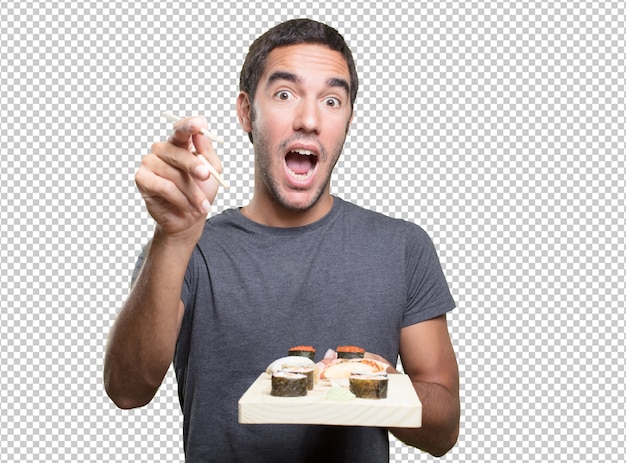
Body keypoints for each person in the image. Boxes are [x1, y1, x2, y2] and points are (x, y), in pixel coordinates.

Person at [104, 18, 460, 462]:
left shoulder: (403, 248)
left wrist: (376, 384)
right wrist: (173, 237)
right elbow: (127, 390)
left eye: (332, 100)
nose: (309, 120)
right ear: (245, 112)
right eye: (285, 94)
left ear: (348, 119)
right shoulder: (187, 249)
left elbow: (444, 431)